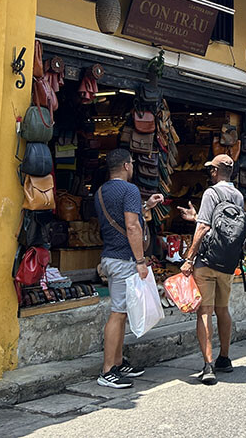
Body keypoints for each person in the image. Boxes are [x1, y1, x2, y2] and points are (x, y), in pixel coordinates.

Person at [95, 149, 163, 389]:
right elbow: (132, 226)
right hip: (125, 260)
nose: (133, 167)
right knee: (117, 313)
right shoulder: (129, 189)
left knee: (121, 312)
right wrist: (141, 261)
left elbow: (120, 216)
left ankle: (118, 362)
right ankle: (107, 371)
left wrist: (146, 205)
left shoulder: (101, 192)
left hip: (110, 257)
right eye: (132, 163)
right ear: (126, 166)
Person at [177, 154, 246, 385]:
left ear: (216, 172)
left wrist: (189, 258)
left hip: (206, 262)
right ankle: (224, 358)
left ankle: (208, 366)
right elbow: (226, 227)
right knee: (223, 309)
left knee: (205, 311)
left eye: (211, 170)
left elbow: (205, 227)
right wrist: (195, 217)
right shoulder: (238, 196)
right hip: (227, 263)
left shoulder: (211, 193)